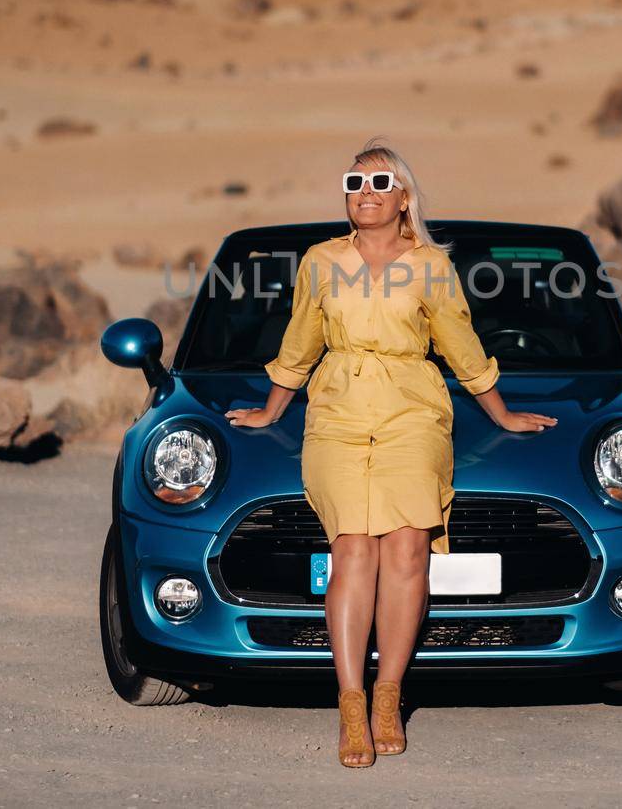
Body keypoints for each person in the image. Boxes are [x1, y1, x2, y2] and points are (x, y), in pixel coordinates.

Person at [226, 138, 557, 767]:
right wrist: (271, 408)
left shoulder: (432, 265)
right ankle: (350, 704)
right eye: (355, 185)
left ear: (404, 198)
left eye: (379, 184)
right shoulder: (321, 262)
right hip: (339, 412)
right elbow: (300, 340)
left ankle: (388, 695)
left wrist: (503, 412)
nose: (366, 195)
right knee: (352, 548)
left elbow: (460, 343)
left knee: (407, 548)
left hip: (412, 410)